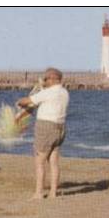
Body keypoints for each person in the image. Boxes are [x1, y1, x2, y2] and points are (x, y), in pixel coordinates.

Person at [16, 67, 69, 200]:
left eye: (46, 79)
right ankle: (53, 193)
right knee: (54, 162)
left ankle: (38, 193)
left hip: (46, 127)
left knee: (39, 161)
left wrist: (19, 102)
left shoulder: (48, 93)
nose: (44, 81)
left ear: (52, 79)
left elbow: (27, 101)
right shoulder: (64, 92)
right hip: (60, 128)